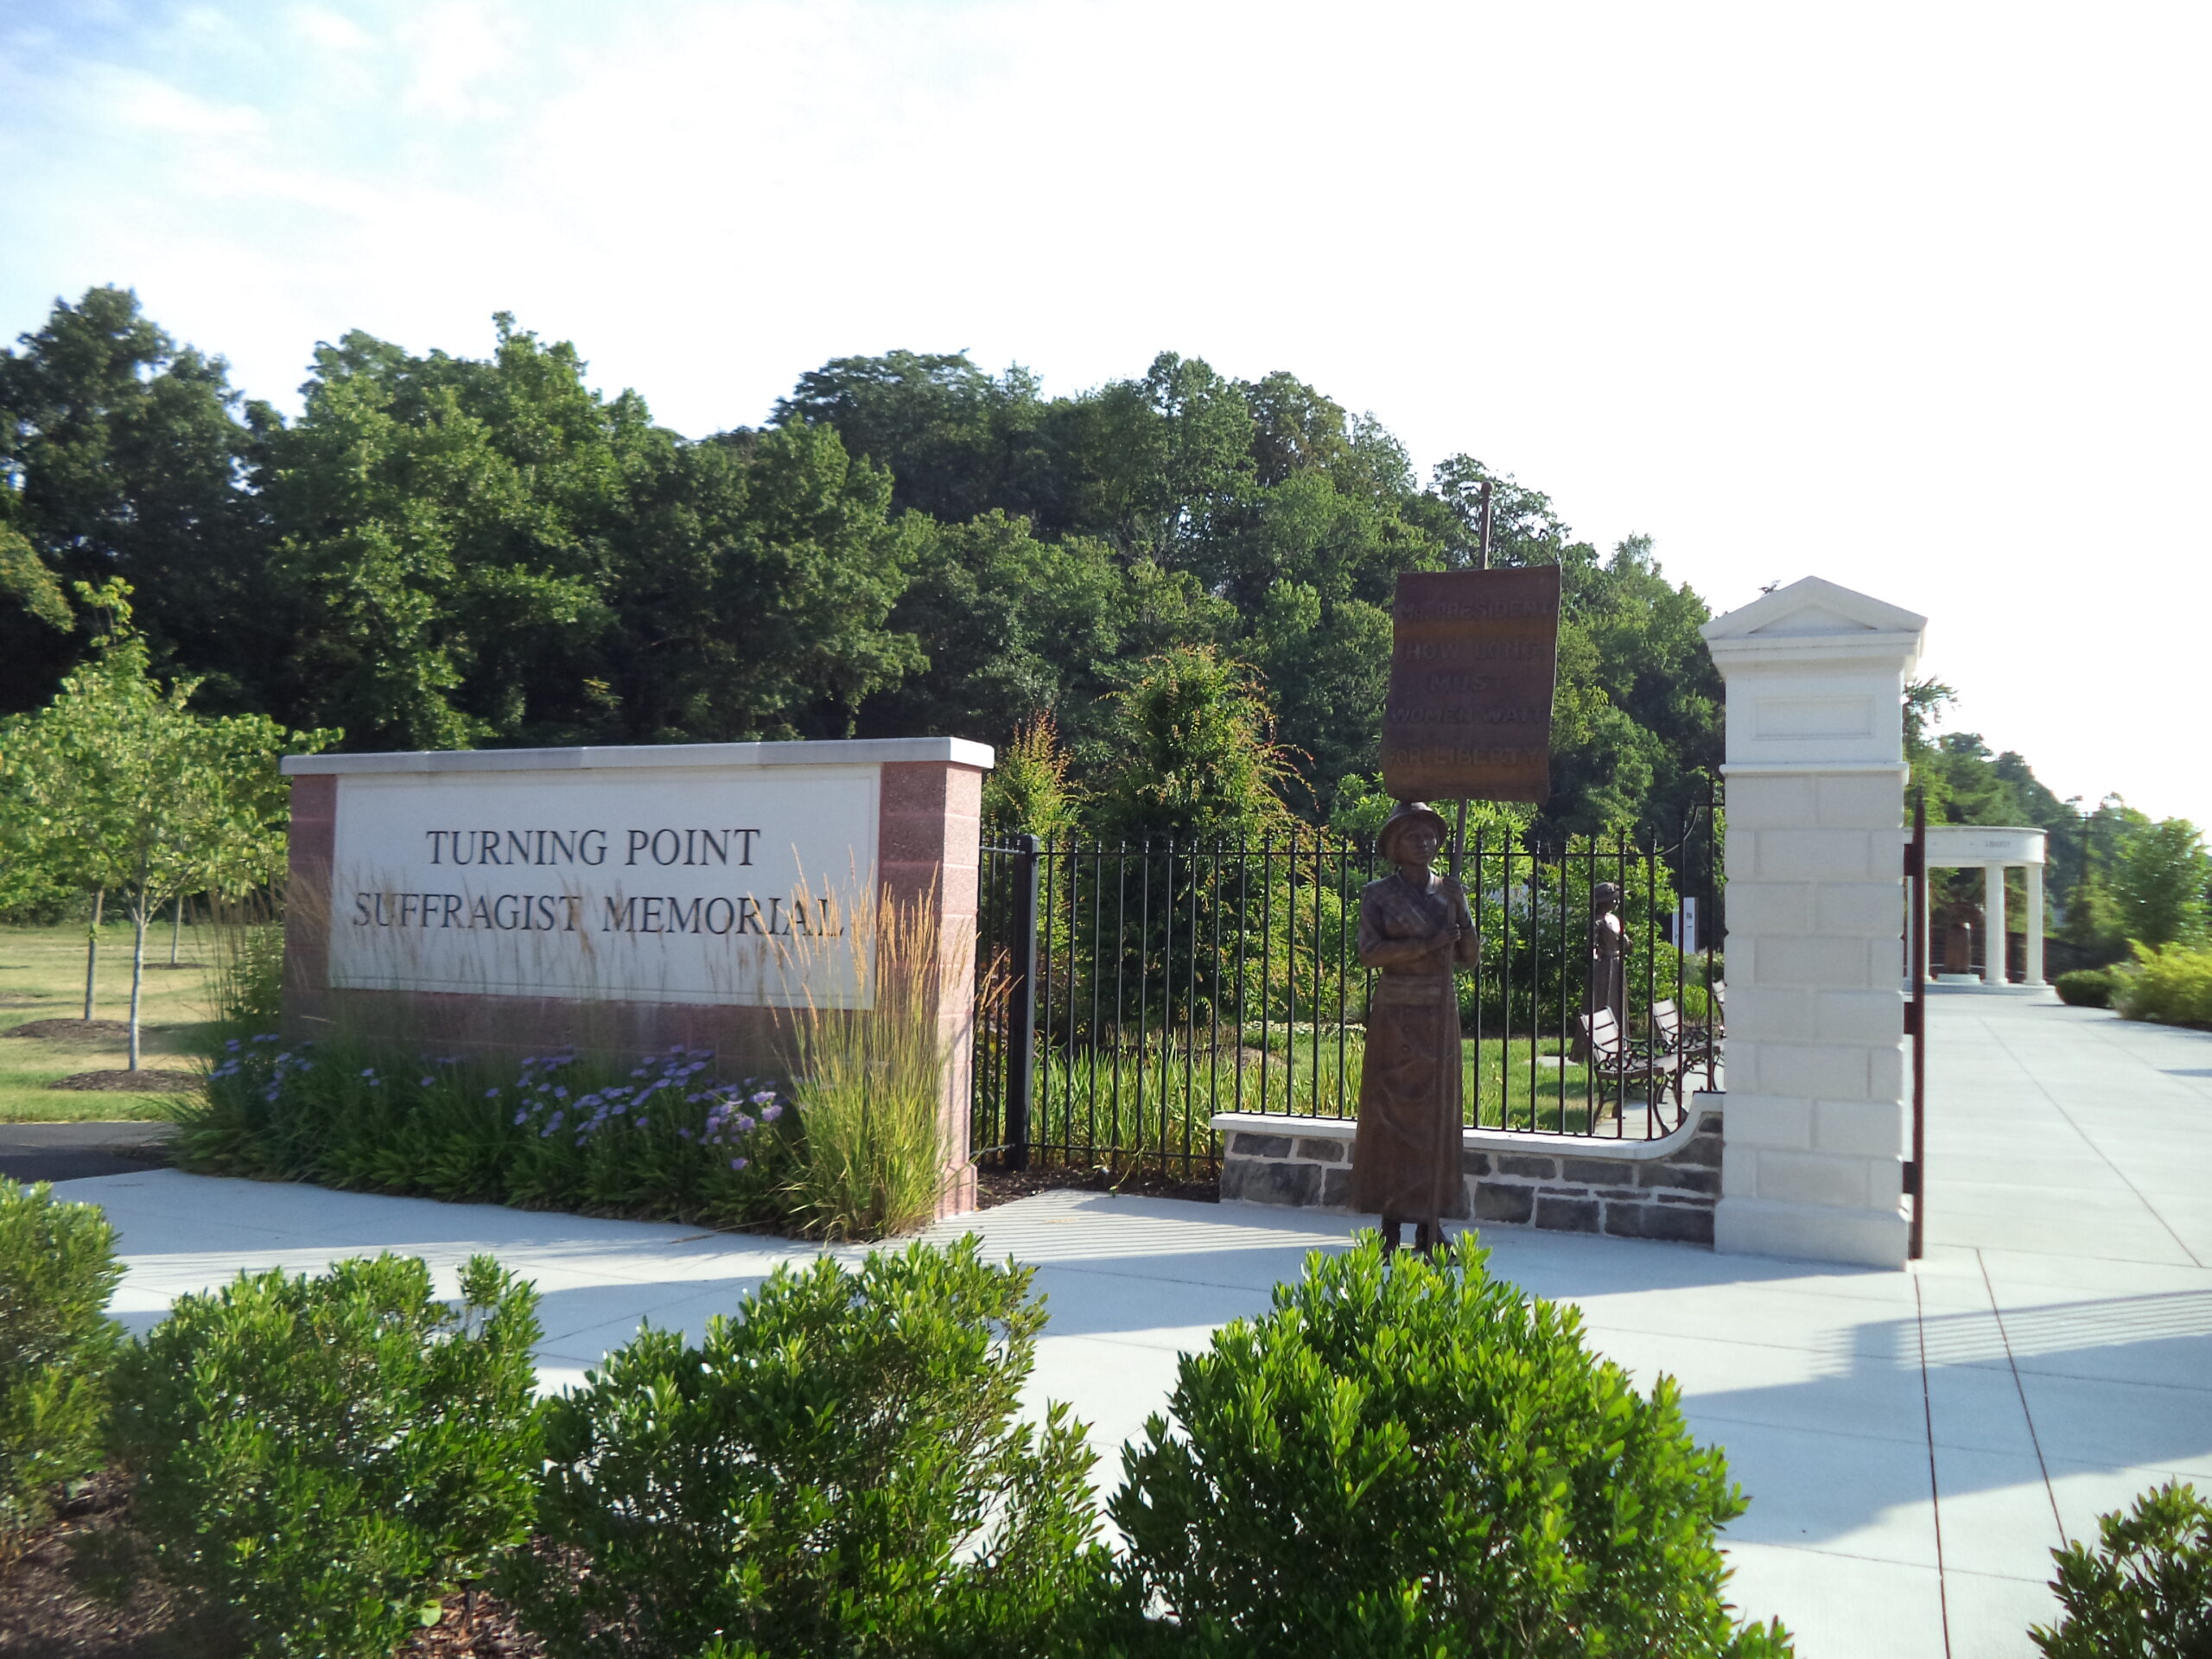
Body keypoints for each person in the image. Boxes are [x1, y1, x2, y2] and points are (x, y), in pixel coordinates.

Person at [1351, 800, 1478, 1255]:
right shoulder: (1377, 895)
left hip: (1439, 1011)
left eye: (1429, 836)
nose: (1424, 843)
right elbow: (1370, 953)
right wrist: (1425, 944)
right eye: (1412, 837)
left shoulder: (1450, 892)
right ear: (1394, 847)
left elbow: (1469, 957)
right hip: (1396, 1014)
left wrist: (1461, 913)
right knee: (1390, 1117)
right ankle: (1389, 1225)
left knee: (1437, 1119)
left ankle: (1431, 1222)